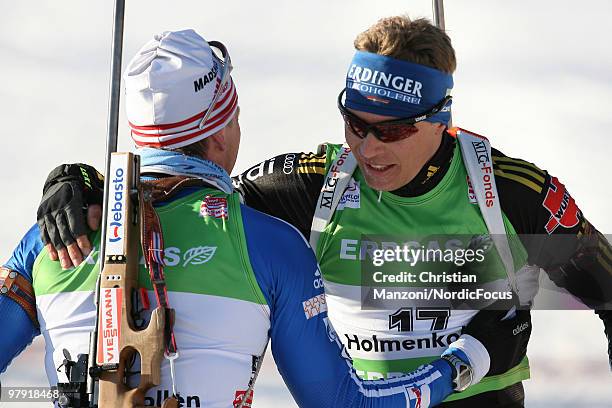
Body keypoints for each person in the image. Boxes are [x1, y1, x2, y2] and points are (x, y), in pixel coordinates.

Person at [31, 17, 612, 408]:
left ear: (441, 119)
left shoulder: (509, 194)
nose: (369, 148)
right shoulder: (312, 186)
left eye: (393, 130)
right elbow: (183, 202)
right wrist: (82, 185)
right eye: (354, 124)